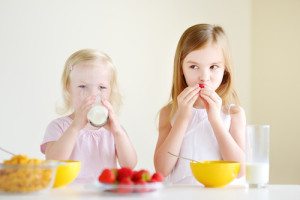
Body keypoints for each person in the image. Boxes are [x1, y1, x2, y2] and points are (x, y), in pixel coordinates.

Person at [154, 24, 246, 184]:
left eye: (213, 67)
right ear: (181, 68)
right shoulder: (169, 113)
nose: (204, 77)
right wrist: (182, 118)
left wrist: (215, 120)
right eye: (194, 66)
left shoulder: (233, 114)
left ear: (225, 69)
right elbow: (161, 170)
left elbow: (239, 171)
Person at [40, 49, 137, 183]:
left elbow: (129, 165)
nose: (92, 94)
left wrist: (118, 132)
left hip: (104, 194)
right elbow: (53, 162)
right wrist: (74, 128)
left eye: (101, 87)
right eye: (82, 86)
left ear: (110, 90)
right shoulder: (59, 127)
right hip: (69, 195)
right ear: (68, 88)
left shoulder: (115, 130)